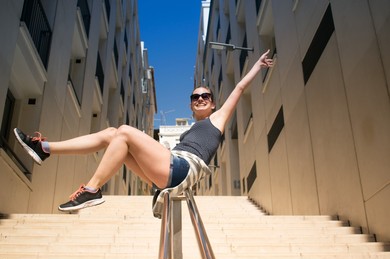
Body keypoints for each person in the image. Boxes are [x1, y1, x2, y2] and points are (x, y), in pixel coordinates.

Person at [14, 50, 273, 213]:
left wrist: (257, 66)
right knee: (112, 134)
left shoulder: (217, 119)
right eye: (195, 97)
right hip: (169, 172)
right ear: (191, 105)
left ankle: (92, 190)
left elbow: (238, 88)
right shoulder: (193, 127)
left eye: (205, 96)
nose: (200, 98)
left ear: (213, 102)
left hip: (182, 170)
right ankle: (44, 149)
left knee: (125, 131)